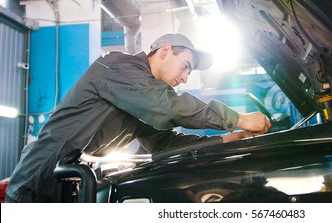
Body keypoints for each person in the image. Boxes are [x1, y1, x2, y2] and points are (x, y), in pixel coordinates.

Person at [6, 33, 271, 203]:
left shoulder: (140, 99)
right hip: (37, 181)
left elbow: (165, 145)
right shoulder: (119, 67)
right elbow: (169, 107)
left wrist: (226, 139)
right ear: (166, 50)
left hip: (69, 184)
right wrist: (238, 119)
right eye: (186, 67)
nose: (185, 78)